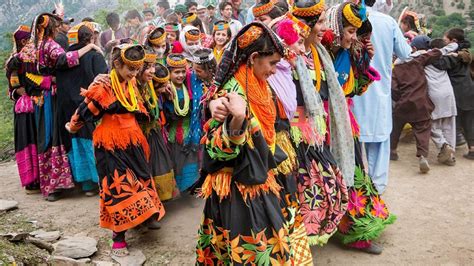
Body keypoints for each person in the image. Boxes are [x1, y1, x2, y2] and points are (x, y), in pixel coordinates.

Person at [195, 22, 293, 264]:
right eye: (272, 63)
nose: (274, 70)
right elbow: (216, 151)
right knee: (250, 252)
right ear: (254, 58)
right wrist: (237, 120)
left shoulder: (259, 84)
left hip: (257, 177)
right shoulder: (230, 93)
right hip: (237, 190)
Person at [66, 44, 165, 256]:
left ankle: (144, 217)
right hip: (110, 143)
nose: (134, 73)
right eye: (130, 68)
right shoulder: (104, 86)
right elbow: (87, 109)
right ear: (117, 64)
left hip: (133, 139)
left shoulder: (131, 84)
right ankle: (118, 236)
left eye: (137, 69)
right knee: (117, 186)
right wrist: (73, 125)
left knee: (140, 178)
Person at [324, 2, 395, 254]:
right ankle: (334, 227)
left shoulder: (348, 52)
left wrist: (366, 57)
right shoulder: (320, 54)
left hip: (345, 121)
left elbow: (355, 88)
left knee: (351, 173)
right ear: (335, 27)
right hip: (324, 125)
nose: (353, 37)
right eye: (350, 31)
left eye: (356, 32)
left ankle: (353, 230)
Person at [11, 12, 102, 201]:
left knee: (46, 136)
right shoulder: (50, 44)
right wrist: (90, 47)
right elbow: (64, 60)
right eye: (58, 24)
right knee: (56, 137)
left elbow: (21, 70)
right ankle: (58, 184)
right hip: (51, 96)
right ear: (52, 27)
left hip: (39, 98)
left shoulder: (31, 46)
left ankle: (51, 183)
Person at [286, 0, 353, 247]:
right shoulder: (288, 55)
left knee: (325, 184)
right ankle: (297, 243)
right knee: (306, 185)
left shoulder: (319, 51)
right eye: (322, 22)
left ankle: (307, 239)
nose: (327, 28)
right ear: (307, 25)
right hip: (296, 133)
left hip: (318, 128)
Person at [351, 0, 411, 194]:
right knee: (379, 142)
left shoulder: (348, 20)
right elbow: (406, 53)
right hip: (379, 93)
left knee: (353, 143)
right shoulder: (388, 22)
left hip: (353, 93)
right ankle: (376, 192)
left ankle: (355, 190)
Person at [391, 36, 459, 172]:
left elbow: (393, 89)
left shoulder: (396, 68)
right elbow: (437, 52)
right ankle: (422, 157)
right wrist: (453, 47)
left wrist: (400, 99)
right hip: (421, 103)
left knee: (396, 127)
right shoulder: (418, 60)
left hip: (403, 104)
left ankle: (392, 151)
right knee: (422, 129)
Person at [56, 22, 108, 196]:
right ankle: (100, 180)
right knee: (92, 142)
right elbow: (104, 81)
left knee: (75, 143)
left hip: (66, 108)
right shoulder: (94, 55)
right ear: (90, 38)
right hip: (89, 107)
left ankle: (86, 184)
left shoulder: (63, 59)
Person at [137, 50, 179, 201]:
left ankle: (159, 199)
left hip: (153, 132)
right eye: (148, 67)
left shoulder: (149, 88)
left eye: (153, 66)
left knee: (159, 164)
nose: (153, 70)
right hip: (139, 135)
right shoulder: (133, 86)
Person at [6, 25, 40, 194]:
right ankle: (31, 180)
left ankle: (40, 178)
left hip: (37, 104)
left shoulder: (34, 57)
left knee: (37, 139)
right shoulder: (14, 61)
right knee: (28, 140)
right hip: (23, 110)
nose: (29, 43)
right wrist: (18, 91)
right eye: (26, 40)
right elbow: (11, 88)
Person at [432, 28, 474, 160]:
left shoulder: (452, 55)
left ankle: (450, 151)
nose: (444, 43)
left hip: (457, 92)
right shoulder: (464, 52)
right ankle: (472, 149)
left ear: (453, 41)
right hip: (469, 89)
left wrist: (429, 55)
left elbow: (440, 64)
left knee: (451, 122)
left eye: (446, 40)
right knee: (469, 122)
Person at [163, 54, 201, 193]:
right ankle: (183, 188)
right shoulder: (165, 89)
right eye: (176, 72)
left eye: (183, 71)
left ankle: (191, 187)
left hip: (190, 133)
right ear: (169, 73)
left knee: (191, 162)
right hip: (174, 135)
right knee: (178, 162)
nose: (180, 75)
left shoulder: (190, 86)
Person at [425, 38, 458, 165]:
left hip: (434, 94)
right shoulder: (446, 59)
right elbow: (454, 45)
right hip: (448, 93)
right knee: (449, 125)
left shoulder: (426, 59)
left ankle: (443, 145)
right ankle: (450, 156)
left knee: (432, 124)